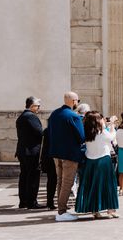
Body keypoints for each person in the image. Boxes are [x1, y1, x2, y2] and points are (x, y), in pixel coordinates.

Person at [48, 91, 85, 222]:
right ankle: (62, 212)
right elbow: (81, 137)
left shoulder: (54, 114)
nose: (77, 103)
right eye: (78, 101)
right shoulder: (73, 116)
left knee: (60, 181)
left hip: (56, 153)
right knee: (67, 183)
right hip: (69, 154)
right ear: (74, 101)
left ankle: (61, 209)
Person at [74, 112, 119, 219]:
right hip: (103, 160)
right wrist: (112, 124)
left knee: (93, 186)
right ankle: (110, 210)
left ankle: (96, 210)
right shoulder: (102, 132)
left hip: (90, 161)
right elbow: (112, 137)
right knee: (108, 185)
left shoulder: (87, 132)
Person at [15, 96, 44, 209]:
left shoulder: (22, 116)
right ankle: (31, 202)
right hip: (31, 152)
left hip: (23, 151)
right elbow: (40, 132)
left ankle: (23, 201)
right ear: (32, 106)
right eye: (38, 106)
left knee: (24, 176)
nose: (39, 108)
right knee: (32, 177)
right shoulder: (31, 117)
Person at [41, 127, 57, 210]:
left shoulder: (47, 130)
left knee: (51, 181)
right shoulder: (58, 129)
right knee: (54, 180)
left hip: (48, 157)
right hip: (54, 157)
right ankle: (51, 202)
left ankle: (50, 202)